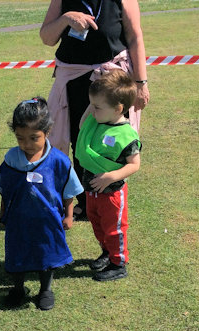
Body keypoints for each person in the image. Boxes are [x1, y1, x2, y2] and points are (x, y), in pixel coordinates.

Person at [40, 0, 149, 220]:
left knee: (111, 139)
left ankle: (111, 198)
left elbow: (135, 37)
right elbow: (47, 37)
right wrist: (65, 19)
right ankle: (85, 200)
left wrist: (141, 83)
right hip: (74, 80)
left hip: (111, 81)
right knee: (79, 139)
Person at [0, 98, 83, 311]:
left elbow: (68, 190)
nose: (26, 144)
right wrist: (3, 210)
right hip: (18, 220)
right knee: (17, 254)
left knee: (47, 255)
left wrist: (69, 215)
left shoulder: (58, 161)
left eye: (34, 138)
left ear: (48, 132)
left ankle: (45, 289)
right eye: (20, 138)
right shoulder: (11, 159)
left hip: (48, 220)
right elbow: (6, 187)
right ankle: (18, 288)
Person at [75, 70, 141, 281]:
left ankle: (118, 263)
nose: (92, 112)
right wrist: (93, 102)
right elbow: (80, 124)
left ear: (118, 109)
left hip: (112, 193)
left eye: (97, 107)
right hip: (92, 191)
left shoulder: (126, 135)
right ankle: (107, 253)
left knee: (114, 228)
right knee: (97, 224)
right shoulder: (95, 121)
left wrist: (111, 177)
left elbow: (134, 165)